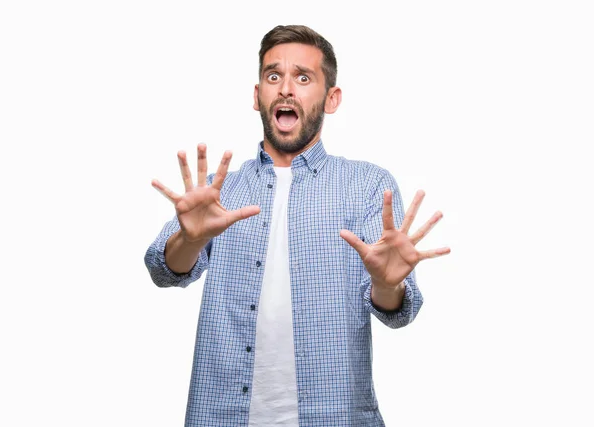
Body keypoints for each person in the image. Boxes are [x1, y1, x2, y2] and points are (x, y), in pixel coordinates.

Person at [144, 24, 450, 427]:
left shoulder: (367, 185)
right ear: (258, 96)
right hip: (221, 415)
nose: (286, 89)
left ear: (331, 97)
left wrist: (387, 282)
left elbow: (397, 312)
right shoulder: (220, 191)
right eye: (274, 76)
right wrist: (189, 238)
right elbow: (163, 271)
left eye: (303, 78)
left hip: (336, 416)